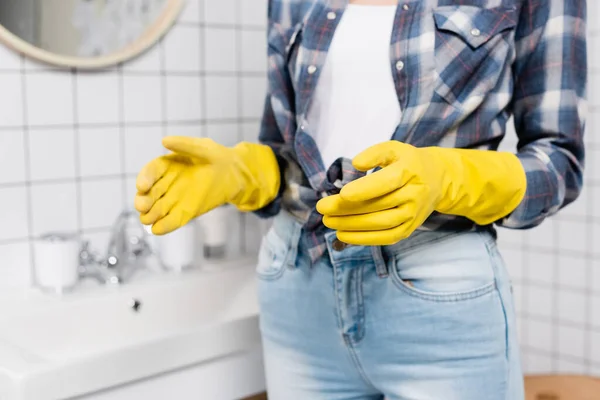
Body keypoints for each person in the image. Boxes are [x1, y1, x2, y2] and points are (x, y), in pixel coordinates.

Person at [134, 0, 587, 398]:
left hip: (437, 295)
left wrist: (448, 178)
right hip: (297, 287)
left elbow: (558, 161)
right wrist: (241, 173)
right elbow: (286, 154)